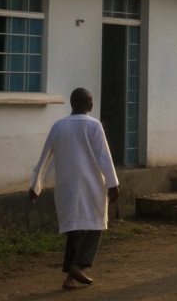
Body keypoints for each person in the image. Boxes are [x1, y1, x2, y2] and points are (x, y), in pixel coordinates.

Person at [28, 87, 120, 289]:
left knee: (74, 229)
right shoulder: (94, 125)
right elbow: (104, 157)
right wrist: (113, 184)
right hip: (92, 185)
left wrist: (35, 185)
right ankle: (78, 265)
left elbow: (45, 157)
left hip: (67, 185)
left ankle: (71, 275)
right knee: (96, 225)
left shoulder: (58, 126)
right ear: (90, 105)